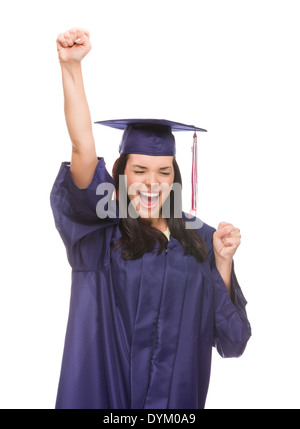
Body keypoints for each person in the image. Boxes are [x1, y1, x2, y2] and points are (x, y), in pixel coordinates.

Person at [50, 27, 251, 409]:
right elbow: (82, 147)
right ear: (120, 174)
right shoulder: (98, 233)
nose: (151, 184)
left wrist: (222, 262)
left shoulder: (199, 238)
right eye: (139, 170)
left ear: (175, 178)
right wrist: (71, 68)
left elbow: (232, 341)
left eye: (163, 172)